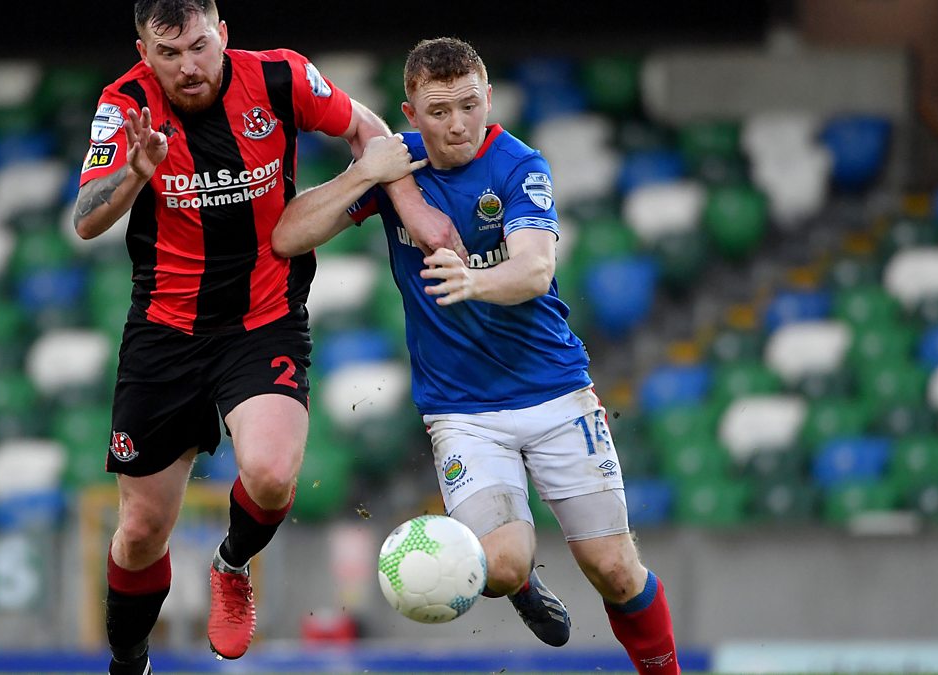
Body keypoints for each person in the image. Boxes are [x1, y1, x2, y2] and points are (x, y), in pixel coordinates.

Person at [271, 38, 681, 673]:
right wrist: (365, 171)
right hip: (462, 413)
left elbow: (535, 269)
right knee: (501, 566)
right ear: (411, 113)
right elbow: (286, 235)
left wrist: (474, 282)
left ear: (489, 99)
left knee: (614, 570)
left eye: (469, 105)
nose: (457, 123)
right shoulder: (398, 172)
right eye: (438, 111)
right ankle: (521, 587)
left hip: (554, 394)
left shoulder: (520, 166)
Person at [72, 2, 458, 671]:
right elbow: (84, 219)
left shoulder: (281, 79)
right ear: (143, 52)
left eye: (199, 46)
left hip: (264, 316)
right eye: (169, 54)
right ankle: (128, 659)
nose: (188, 67)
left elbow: (368, 129)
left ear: (223, 34)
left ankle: (231, 562)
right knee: (139, 533)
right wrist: (136, 171)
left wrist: (415, 209)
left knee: (274, 474)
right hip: (165, 332)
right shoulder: (123, 107)